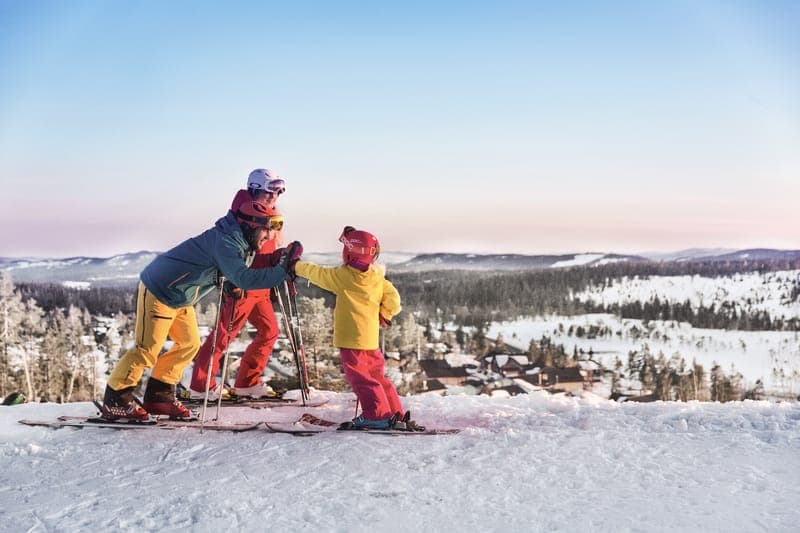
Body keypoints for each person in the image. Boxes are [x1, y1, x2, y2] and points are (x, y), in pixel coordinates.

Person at [100, 200, 303, 421]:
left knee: (189, 344)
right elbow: (244, 277)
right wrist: (281, 270)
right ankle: (116, 400)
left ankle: (159, 396)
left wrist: (233, 281)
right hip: (160, 288)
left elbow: (218, 268)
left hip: (181, 295)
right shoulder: (227, 242)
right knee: (147, 348)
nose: (269, 235)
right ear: (250, 225)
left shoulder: (239, 240)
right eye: (266, 229)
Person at [294, 226, 409, 429]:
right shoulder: (377, 278)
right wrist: (385, 314)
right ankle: (394, 413)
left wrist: (296, 266)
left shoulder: (344, 277)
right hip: (370, 339)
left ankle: (376, 416)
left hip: (350, 339)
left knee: (362, 380)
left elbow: (318, 273)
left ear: (349, 253)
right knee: (377, 376)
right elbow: (394, 300)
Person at [189, 169, 288, 400]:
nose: (274, 196)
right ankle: (200, 386)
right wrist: (232, 279)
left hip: (261, 286)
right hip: (242, 284)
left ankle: (246, 383)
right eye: (270, 190)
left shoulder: (271, 213)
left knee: (270, 332)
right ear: (254, 188)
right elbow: (228, 249)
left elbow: (267, 248)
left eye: (278, 191)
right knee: (224, 336)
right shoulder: (242, 213)